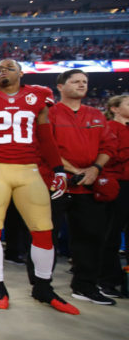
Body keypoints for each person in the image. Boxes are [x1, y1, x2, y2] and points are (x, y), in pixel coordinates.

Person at [0, 58, 78, 315]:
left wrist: (58, 169)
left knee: (43, 230)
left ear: (21, 74)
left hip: (29, 169)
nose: (3, 71)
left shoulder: (39, 95)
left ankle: (43, 287)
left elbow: (46, 137)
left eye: (9, 67)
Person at [37, 69, 117, 306]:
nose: (82, 85)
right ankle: (42, 285)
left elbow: (108, 146)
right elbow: (44, 147)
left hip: (89, 186)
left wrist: (95, 170)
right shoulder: (48, 113)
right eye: (76, 82)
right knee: (45, 237)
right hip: (56, 184)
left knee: (91, 238)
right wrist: (73, 170)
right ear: (61, 87)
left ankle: (85, 286)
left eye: (85, 82)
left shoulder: (96, 115)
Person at [99, 95, 129, 298]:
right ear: (115, 109)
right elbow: (110, 155)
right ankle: (107, 279)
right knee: (111, 233)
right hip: (118, 185)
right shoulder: (109, 127)